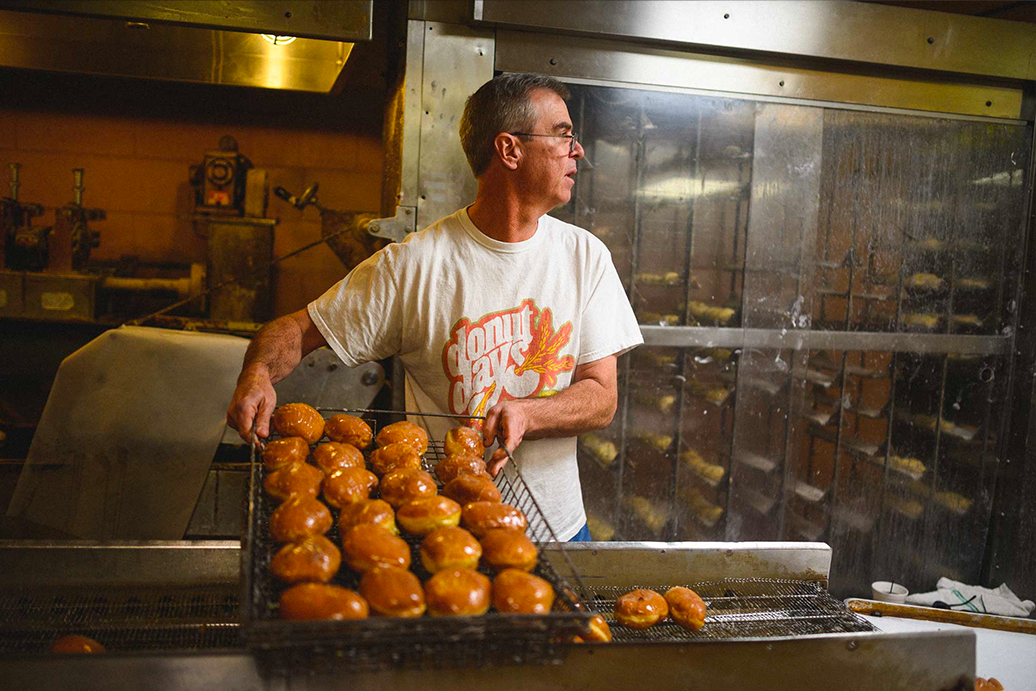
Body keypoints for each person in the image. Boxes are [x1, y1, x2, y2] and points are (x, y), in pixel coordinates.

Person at [227, 73, 642, 541]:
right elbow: (298, 329)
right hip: (443, 527)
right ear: (510, 150)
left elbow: (601, 397)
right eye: (563, 134)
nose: (578, 150)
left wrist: (529, 413)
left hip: (559, 531)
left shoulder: (585, 257)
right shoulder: (415, 266)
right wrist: (257, 372)